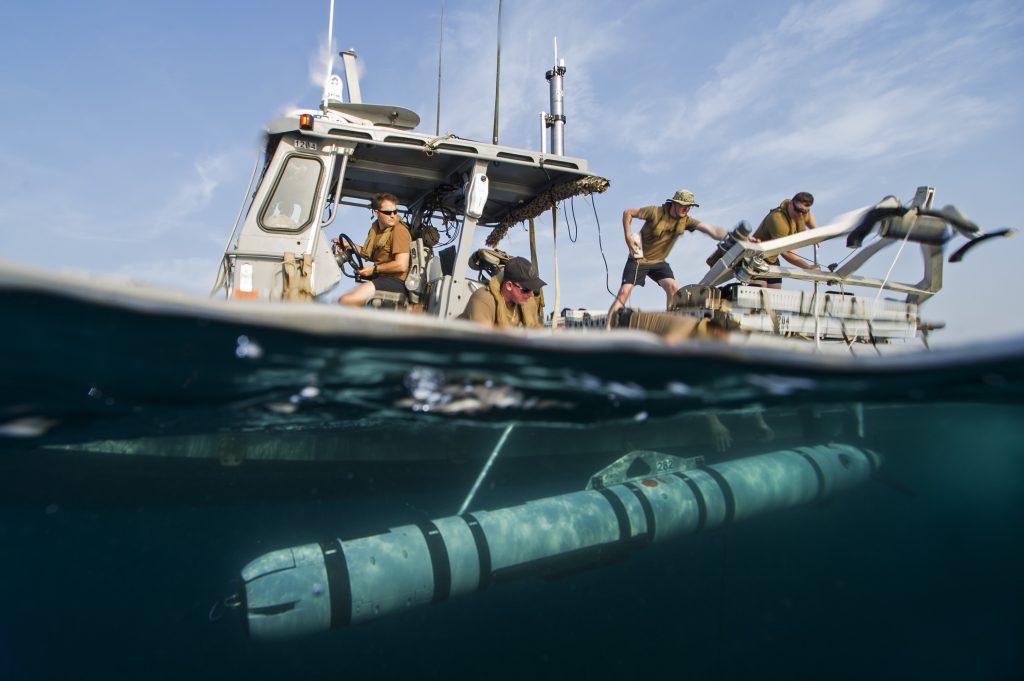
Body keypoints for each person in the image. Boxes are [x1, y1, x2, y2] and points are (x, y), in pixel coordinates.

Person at [607, 189, 728, 324]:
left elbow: (712, 230)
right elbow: (628, 212)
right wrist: (628, 236)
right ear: (674, 204)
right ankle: (608, 326)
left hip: (659, 262)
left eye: (689, 206)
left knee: (673, 287)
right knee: (624, 292)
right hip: (639, 259)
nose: (686, 209)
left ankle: (669, 322)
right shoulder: (654, 212)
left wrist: (734, 236)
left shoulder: (686, 221)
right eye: (684, 205)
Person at [335, 192, 412, 305]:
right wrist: (348, 245)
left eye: (395, 211)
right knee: (347, 300)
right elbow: (369, 254)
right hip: (381, 278)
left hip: (397, 282)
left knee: (346, 301)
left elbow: (401, 265)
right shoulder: (376, 232)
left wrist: (373, 269)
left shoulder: (398, 231)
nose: (392, 215)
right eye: (387, 212)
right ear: (376, 212)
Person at [751, 191, 820, 288]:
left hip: (772, 258)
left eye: (803, 212)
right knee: (759, 289)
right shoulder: (778, 220)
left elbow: (808, 217)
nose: (800, 214)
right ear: (791, 203)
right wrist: (808, 267)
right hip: (757, 256)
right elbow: (786, 252)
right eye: (798, 210)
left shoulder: (801, 210)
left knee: (775, 291)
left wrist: (816, 234)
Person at [458, 256, 546, 328]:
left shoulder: (527, 302)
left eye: (533, 289)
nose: (531, 294)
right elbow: (483, 340)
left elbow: (535, 329)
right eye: (526, 289)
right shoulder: (484, 299)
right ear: (509, 286)